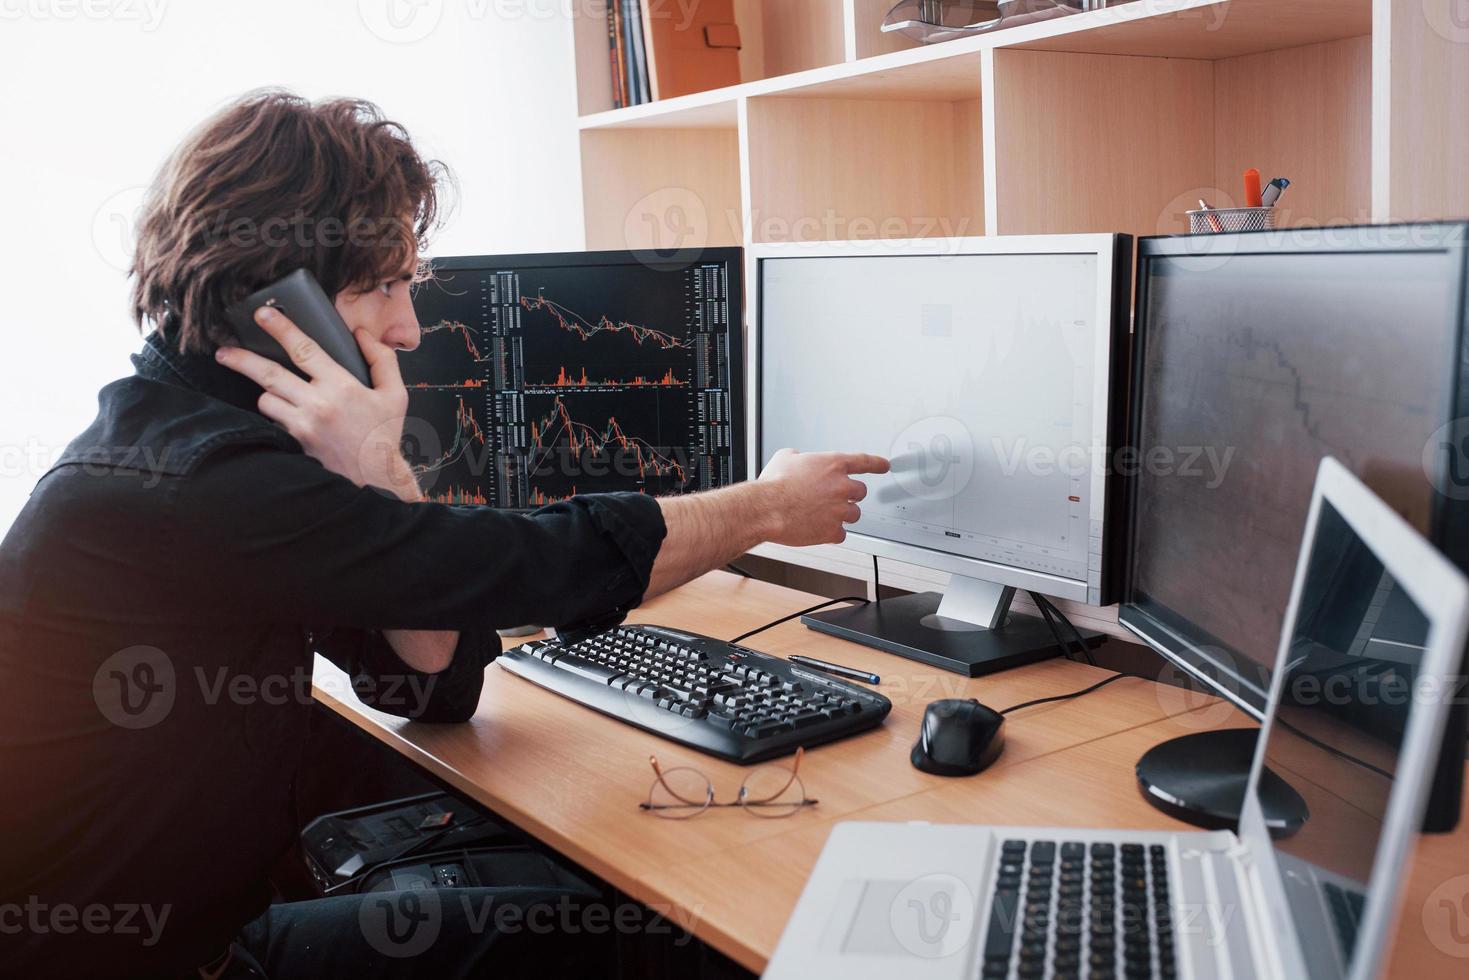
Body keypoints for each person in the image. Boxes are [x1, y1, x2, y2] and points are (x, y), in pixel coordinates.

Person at [0, 90, 886, 978]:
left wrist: (374, 467)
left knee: (588, 902)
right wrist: (764, 507)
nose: (409, 327)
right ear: (273, 295)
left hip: (192, 936)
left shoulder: (220, 443)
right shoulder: (199, 483)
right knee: (668, 941)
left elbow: (434, 682)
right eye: (379, 286)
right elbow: (530, 568)